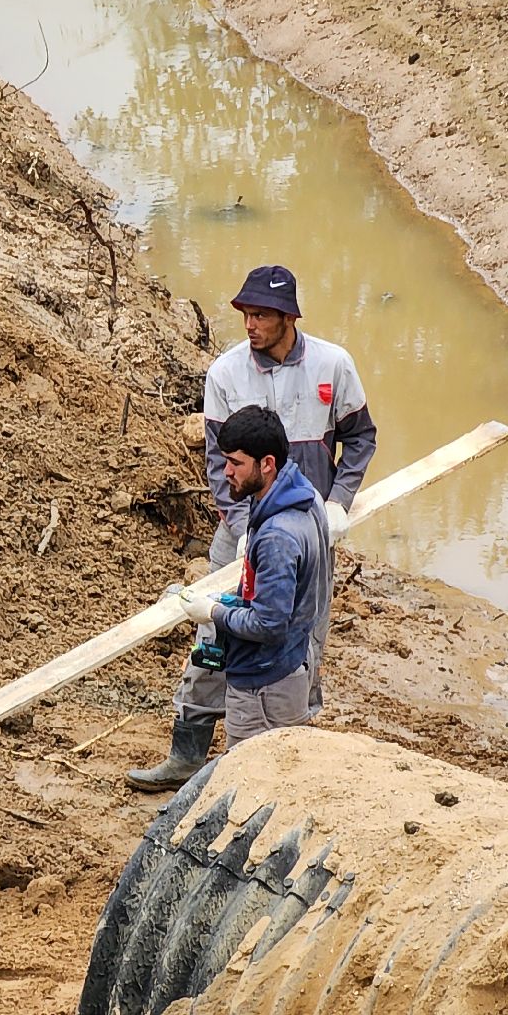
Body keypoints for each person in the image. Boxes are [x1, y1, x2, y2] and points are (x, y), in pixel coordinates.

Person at [127, 264, 377, 790]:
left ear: (288, 317)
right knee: (211, 639)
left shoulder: (334, 366)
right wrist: (241, 526)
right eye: (245, 314)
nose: (250, 325)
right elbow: (222, 466)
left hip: (308, 532)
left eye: (262, 315)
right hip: (243, 529)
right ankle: (188, 754)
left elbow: (360, 440)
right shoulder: (226, 374)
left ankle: (286, 751)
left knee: (300, 639)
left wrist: (338, 502)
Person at [174, 406, 330, 745]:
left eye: (236, 463)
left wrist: (214, 612)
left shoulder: (278, 536)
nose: (226, 471)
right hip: (284, 671)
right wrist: (231, 600)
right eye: (225, 459)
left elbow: (269, 625)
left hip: (264, 688)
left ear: (267, 464)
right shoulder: (302, 497)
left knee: (249, 779)